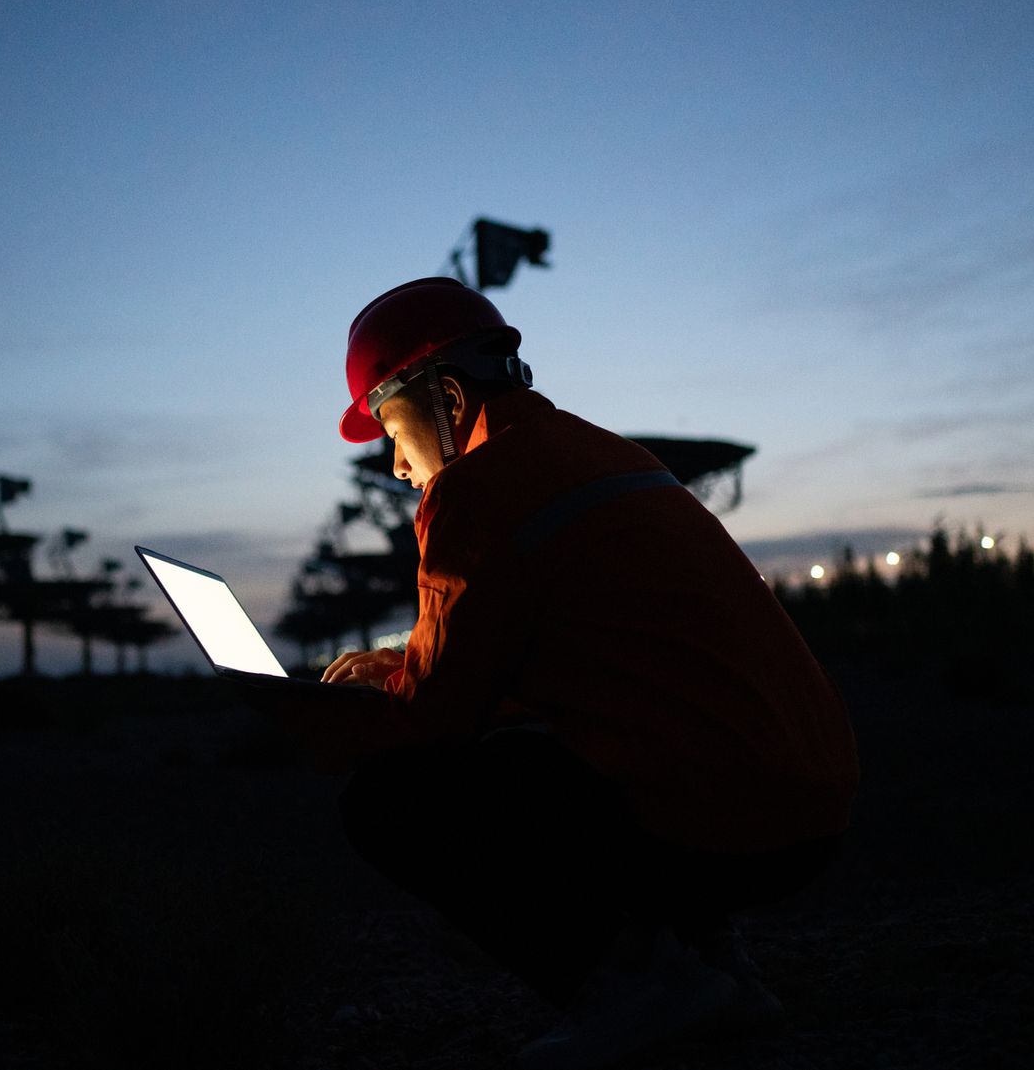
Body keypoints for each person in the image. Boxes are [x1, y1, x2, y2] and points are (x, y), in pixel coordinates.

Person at [288, 277, 859, 1070]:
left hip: (723, 821)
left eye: (389, 427)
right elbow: (565, 657)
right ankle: (716, 968)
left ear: (446, 398)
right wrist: (395, 667)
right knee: (554, 751)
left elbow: (432, 723)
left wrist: (312, 719)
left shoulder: (476, 488)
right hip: (812, 804)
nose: (396, 465)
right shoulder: (606, 454)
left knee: (392, 797)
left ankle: (642, 989)